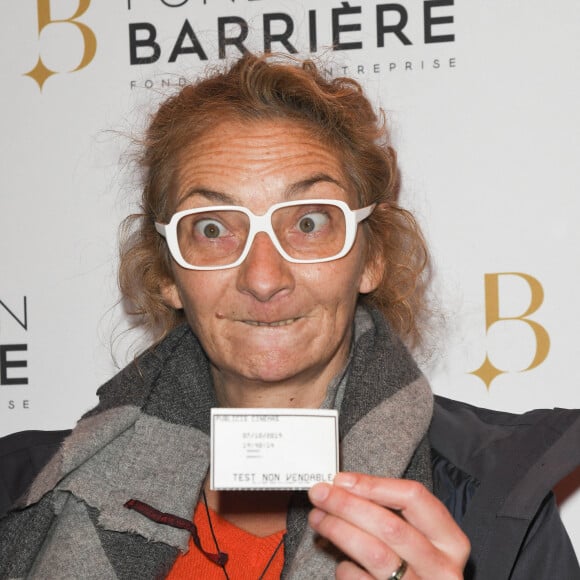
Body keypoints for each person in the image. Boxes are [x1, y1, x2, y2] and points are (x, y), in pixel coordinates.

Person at [0, 53, 578, 580]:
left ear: (371, 256)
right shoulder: (24, 490)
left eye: (308, 223)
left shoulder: (498, 502)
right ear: (167, 274)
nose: (263, 278)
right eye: (212, 229)